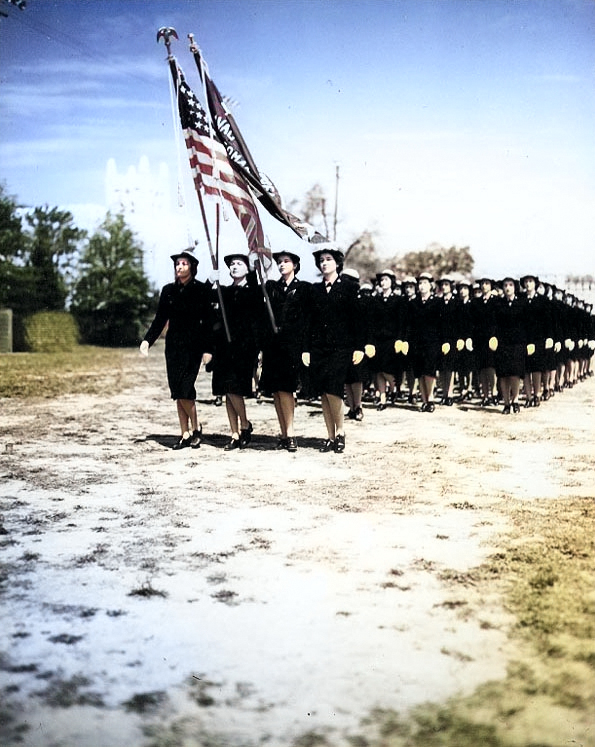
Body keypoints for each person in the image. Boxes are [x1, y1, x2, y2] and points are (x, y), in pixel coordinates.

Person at [140, 248, 213, 449]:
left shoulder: (201, 290)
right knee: (177, 391)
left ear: (192, 267)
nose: (179, 267)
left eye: (184, 264)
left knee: (185, 388)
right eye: (177, 264)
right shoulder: (168, 291)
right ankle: (185, 433)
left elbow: (208, 321)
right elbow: (159, 319)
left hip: (193, 347)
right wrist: (147, 341)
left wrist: (208, 348)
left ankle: (196, 428)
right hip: (173, 347)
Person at [302, 246, 365, 452]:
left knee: (334, 389)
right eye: (321, 260)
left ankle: (341, 432)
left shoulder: (348, 288)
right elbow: (309, 322)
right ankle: (330, 436)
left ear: (337, 263)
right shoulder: (315, 290)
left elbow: (358, 320)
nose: (324, 263)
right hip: (319, 349)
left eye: (328, 259)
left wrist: (359, 347)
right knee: (323, 392)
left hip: (341, 348)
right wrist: (306, 349)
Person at [259, 250, 311, 452]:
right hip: (273, 345)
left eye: (286, 261)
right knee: (276, 390)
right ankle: (282, 432)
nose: (281, 264)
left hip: (292, 346)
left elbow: (307, 321)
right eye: (279, 262)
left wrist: (305, 347)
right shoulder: (272, 287)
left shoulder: (303, 288)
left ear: (295, 265)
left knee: (287, 388)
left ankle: (290, 433)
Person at [211, 254, 260, 450]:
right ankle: (235, 433)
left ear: (247, 269)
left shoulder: (253, 291)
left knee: (234, 389)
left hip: (243, 348)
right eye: (231, 264)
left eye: (239, 263)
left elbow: (257, 300)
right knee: (226, 391)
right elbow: (206, 297)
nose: (234, 267)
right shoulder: (225, 291)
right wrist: (211, 279)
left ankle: (245, 424)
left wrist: (255, 266)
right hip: (224, 348)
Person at [369, 269, 405, 411]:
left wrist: (400, 340)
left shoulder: (398, 300)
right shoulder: (375, 300)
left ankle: (394, 387)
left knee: (387, 370)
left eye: (386, 280)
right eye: (381, 280)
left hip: (392, 340)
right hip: (378, 340)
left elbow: (401, 322)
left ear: (392, 283)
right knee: (378, 370)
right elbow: (371, 322)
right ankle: (382, 399)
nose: (383, 283)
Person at [493, 277, 527, 414]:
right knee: (503, 374)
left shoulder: (521, 303)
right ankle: (506, 403)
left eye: (510, 285)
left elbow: (526, 324)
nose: (507, 287)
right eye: (505, 285)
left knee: (515, 374)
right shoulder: (498, 304)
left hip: (517, 343)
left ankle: (516, 400)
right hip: (502, 344)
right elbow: (494, 323)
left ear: (515, 287)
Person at [408, 272, 441, 412]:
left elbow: (442, 324)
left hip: (432, 341)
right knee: (419, 372)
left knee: (429, 371)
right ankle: (424, 400)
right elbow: (409, 323)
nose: (422, 286)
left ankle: (431, 398)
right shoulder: (413, 303)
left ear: (431, 285)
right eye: (420, 283)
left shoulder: (437, 302)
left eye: (425, 283)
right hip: (416, 341)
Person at [520, 273, 553, 408]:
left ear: (535, 284)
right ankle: (528, 396)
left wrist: (549, 337)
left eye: (531, 281)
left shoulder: (542, 301)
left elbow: (548, 321)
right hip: (524, 338)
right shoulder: (521, 299)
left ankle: (537, 394)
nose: (528, 284)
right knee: (526, 369)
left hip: (538, 338)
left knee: (537, 368)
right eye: (526, 282)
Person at [472, 276, 499, 406]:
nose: (484, 286)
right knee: (481, 367)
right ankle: (485, 395)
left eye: (487, 283)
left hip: (492, 338)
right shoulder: (476, 302)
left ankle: (494, 393)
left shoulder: (496, 301)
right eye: (482, 284)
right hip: (479, 338)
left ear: (491, 286)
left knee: (491, 367)